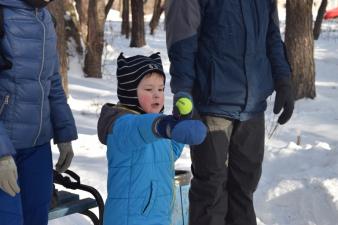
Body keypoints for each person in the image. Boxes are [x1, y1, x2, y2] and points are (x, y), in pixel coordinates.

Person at [165, 1, 294, 225]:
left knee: (244, 188)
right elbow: (182, 40)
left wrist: (283, 78)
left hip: (252, 106)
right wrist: (183, 90)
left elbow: (271, 35)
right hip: (211, 103)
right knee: (211, 190)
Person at [97, 52, 207, 225]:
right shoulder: (121, 125)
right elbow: (140, 128)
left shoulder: (159, 125)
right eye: (149, 89)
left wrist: (180, 124)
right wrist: (165, 126)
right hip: (129, 219)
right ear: (129, 93)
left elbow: (169, 154)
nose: (157, 94)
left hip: (159, 216)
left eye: (161, 89)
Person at [0, 0, 78, 225]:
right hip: (5, 151)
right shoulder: (3, 15)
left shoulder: (44, 18)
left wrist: (64, 134)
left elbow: (52, 80)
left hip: (37, 149)